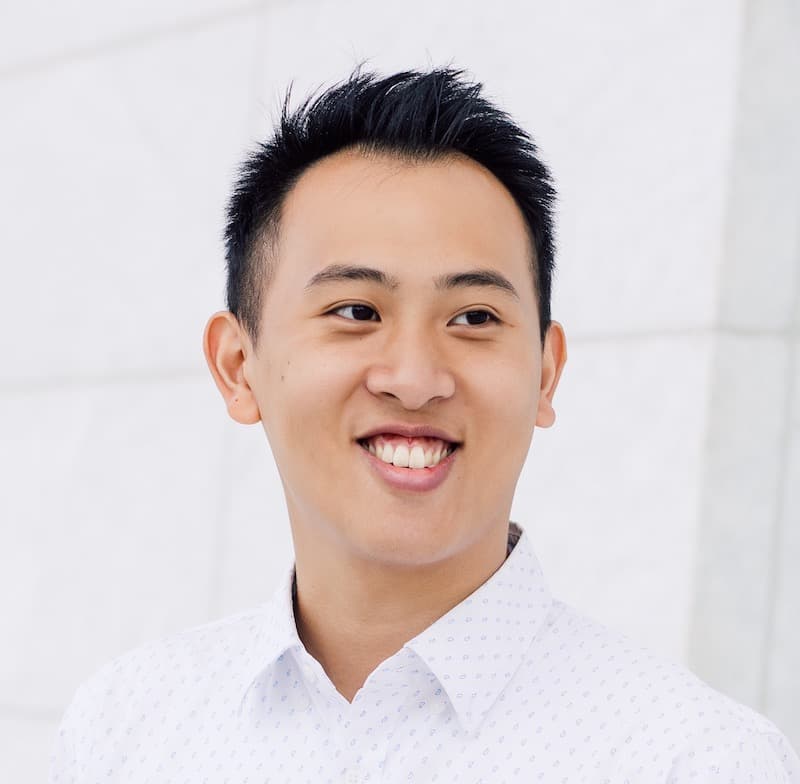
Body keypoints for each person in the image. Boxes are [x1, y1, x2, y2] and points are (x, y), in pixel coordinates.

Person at [50, 66, 799, 783]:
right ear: (238, 366)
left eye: (474, 317)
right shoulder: (124, 730)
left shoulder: (696, 764)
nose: (413, 379)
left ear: (545, 371)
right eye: (356, 312)